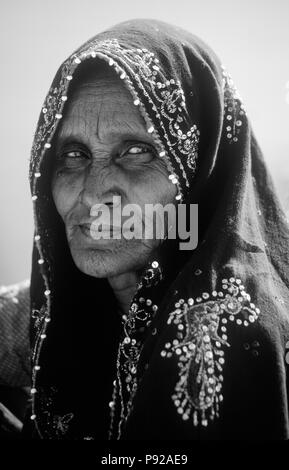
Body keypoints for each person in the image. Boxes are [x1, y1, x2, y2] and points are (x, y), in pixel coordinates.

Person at [1, 18, 289, 440]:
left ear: (202, 173)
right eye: (74, 153)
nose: (94, 193)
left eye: (137, 151)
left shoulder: (244, 335)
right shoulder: (55, 308)